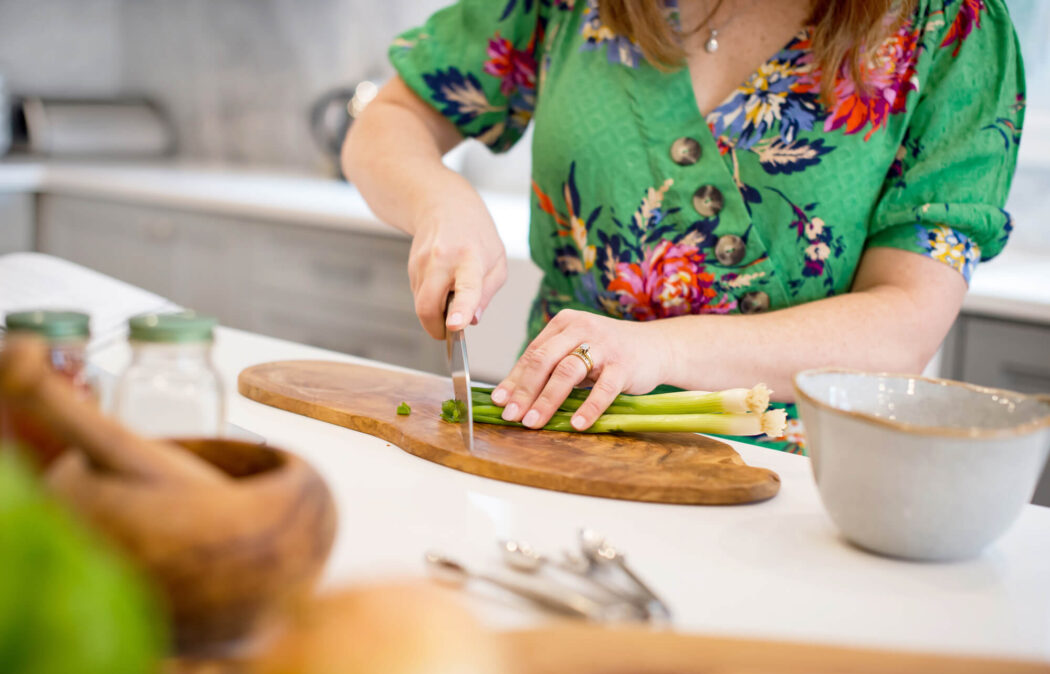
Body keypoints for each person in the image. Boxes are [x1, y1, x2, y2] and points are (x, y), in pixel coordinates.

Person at [344, 0, 1025, 453]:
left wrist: (656, 352)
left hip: (794, 493)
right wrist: (441, 200)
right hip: (552, 452)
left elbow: (904, 324)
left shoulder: (951, 29)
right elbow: (390, 120)